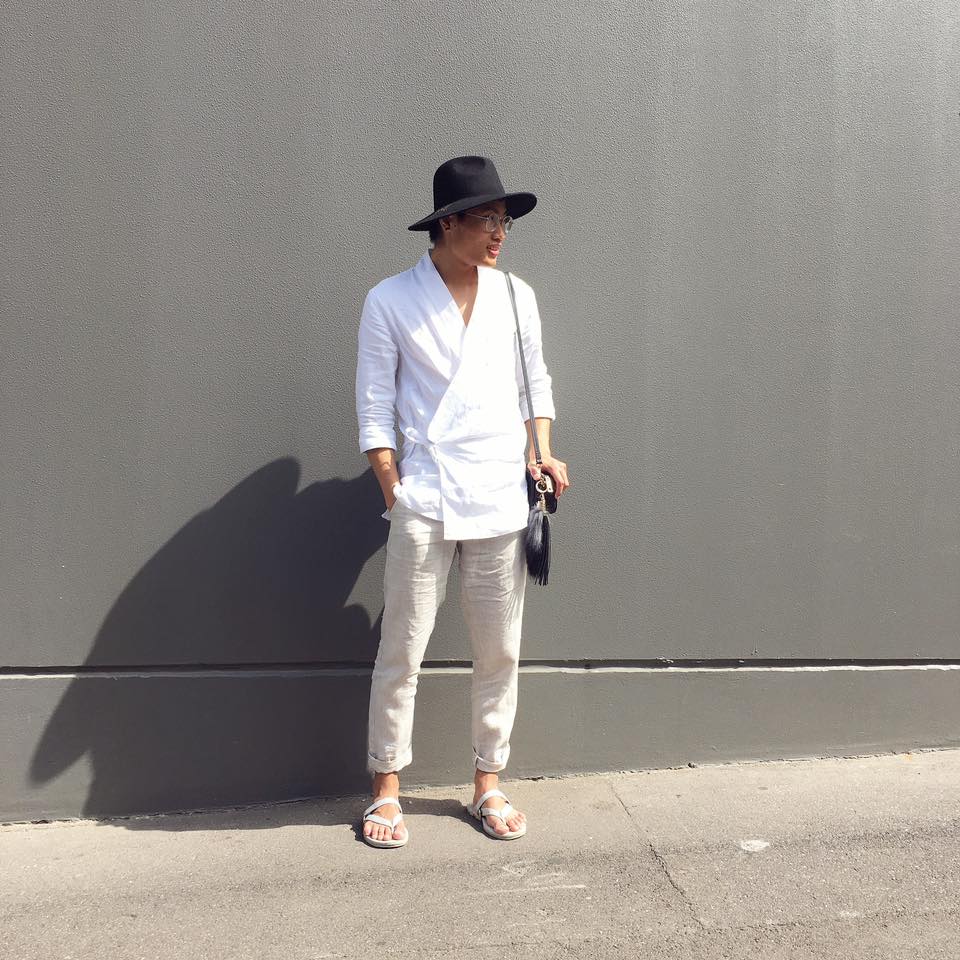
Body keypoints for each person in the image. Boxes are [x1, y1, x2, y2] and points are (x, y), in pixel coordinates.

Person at [355, 155, 569, 848]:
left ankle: (488, 780)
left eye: (505, 221)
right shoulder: (390, 299)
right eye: (488, 219)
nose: (500, 232)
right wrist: (395, 489)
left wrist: (542, 452)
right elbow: (374, 407)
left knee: (499, 652)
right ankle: (387, 787)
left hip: (501, 492)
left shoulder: (516, 296)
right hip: (425, 497)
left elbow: (535, 384)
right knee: (402, 650)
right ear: (448, 223)